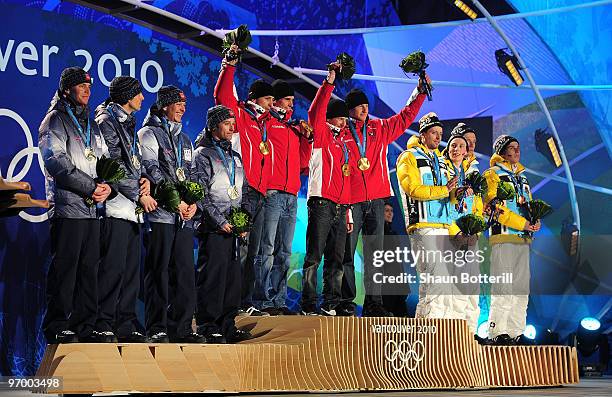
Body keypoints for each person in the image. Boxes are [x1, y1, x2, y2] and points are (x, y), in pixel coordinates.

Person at [338, 77, 428, 317]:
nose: (365, 108)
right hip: (351, 201)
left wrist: (419, 93)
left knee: (375, 255)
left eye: (366, 105)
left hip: (377, 200)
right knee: (347, 252)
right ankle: (346, 301)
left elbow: (404, 117)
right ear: (350, 110)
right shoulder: (342, 132)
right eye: (359, 105)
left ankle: (374, 303)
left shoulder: (378, 129)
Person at [40, 66, 113, 343]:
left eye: (89, 86)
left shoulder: (91, 124)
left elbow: (104, 160)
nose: (86, 91)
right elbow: (56, 162)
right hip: (68, 208)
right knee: (65, 270)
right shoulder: (55, 119)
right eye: (80, 86)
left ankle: (85, 325)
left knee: (88, 272)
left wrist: (107, 184)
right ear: (67, 89)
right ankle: (57, 324)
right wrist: (91, 186)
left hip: (92, 211)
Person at [138, 85, 205, 343]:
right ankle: (156, 327)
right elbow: (152, 169)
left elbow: (193, 176)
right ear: (165, 105)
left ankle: (184, 328)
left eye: (184, 105)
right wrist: (176, 201)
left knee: (186, 273)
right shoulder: (148, 134)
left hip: (184, 217)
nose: (183, 108)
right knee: (159, 271)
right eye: (178, 104)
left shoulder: (185, 140)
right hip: (161, 215)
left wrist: (193, 202)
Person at [94, 76, 156, 343]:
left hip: (132, 210)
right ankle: (103, 321)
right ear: (127, 96)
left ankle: (126, 322)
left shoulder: (129, 124)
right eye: (139, 94)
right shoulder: (106, 121)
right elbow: (112, 165)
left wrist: (145, 179)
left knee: (131, 271)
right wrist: (138, 194)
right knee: (112, 269)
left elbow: (133, 162)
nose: (143, 98)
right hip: (114, 207)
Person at [214, 48, 272, 317]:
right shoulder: (239, 114)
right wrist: (229, 65)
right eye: (268, 98)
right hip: (242, 188)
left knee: (255, 251)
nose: (273, 103)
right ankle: (230, 302)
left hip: (260, 192)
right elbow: (222, 96)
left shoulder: (266, 123)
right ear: (255, 99)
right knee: (240, 248)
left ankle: (246, 301)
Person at [192, 105, 253, 343]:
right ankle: (208, 325)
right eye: (227, 123)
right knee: (212, 278)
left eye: (232, 123)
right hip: (213, 228)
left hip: (234, 229)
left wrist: (244, 220)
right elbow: (199, 193)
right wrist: (220, 221)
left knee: (231, 279)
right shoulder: (203, 154)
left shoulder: (234, 156)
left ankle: (227, 325)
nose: (232, 127)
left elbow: (245, 192)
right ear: (214, 126)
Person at [300, 62, 353, 316]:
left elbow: (348, 178)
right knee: (314, 256)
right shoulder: (320, 133)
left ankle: (331, 303)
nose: (344, 123)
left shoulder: (345, 143)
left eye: (345, 119)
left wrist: (349, 212)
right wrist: (329, 81)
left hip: (341, 206)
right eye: (341, 118)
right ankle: (309, 304)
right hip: (321, 201)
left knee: (336, 259)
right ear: (330, 118)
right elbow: (315, 110)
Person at [255, 79, 312, 315]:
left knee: (285, 253)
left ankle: (278, 300)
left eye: (292, 101)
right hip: (272, 192)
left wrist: (307, 140)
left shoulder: (293, 128)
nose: (291, 104)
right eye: (287, 100)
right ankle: (261, 299)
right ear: (275, 100)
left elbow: (302, 163)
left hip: (291, 194)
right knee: (266, 249)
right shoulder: (266, 122)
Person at [396, 112, 456, 320]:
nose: (439, 137)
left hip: (443, 225)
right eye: (434, 133)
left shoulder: (442, 160)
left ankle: (423, 330)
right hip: (422, 225)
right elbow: (412, 188)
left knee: (433, 282)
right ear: (422, 134)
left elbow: (450, 193)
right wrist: (444, 190)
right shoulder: (408, 156)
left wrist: (460, 193)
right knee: (436, 278)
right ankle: (436, 331)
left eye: (440, 133)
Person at [483, 135, 540, 345]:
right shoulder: (492, 174)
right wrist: (522, 224)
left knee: (521, 289)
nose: (517, 152)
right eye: (512, 148)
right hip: (503, 237)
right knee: (503, 288)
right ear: (502, 151)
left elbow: (530, 205)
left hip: (523, 240)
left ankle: (516, 332)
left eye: (518, 148)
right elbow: (495, 209)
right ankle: (497, 332)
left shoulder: (522, 177)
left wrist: (535, 221)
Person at [444, 133, 483, 335]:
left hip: (470, 236)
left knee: (472, 288)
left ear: (467, 151)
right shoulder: (442, 169)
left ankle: (470, 334)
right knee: (457, 287)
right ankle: (456, 338)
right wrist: (456, 232)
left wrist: (475, 230)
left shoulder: (471, 174)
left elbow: (477, 207)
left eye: (461, 146)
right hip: (453, 236)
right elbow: (440, 205)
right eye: (453, 145)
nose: (456, 149)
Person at [381, 201, 409, 317]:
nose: (390, 214)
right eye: (387, 211)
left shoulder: (394, 233)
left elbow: (397, 261)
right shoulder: (377, 233)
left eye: (391, 211)